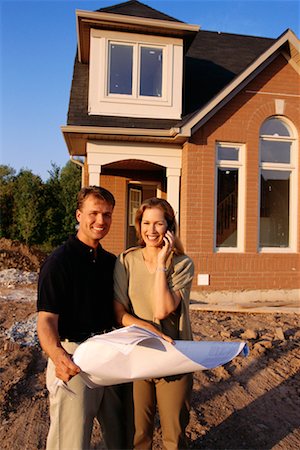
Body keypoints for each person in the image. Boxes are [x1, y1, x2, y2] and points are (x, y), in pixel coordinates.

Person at [37, 186, 133, 450]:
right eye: (94, 213)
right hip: (74, 357)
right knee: (71, 441)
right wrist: (58, 356)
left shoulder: (111, 263)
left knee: (121, 437)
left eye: (107, 214)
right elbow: (46, 320)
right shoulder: (58, 262)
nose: (100, 221)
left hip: (111, 355)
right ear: (79, 215)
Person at [114, 197, 194, 450]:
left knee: (174, 436)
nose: (151, 230)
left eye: (158, 224)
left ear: (169, 227)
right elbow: (118, 312)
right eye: (146, 223)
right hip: (138, 354)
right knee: (139, 435)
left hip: (174, 357)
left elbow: (162, 309)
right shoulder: (126, 260)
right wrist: (146, 329)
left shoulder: (182, 264)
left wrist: (161, 265)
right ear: (139, 226)